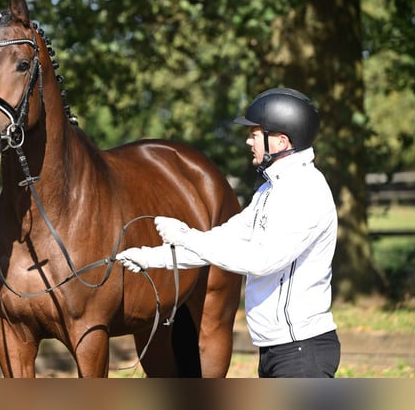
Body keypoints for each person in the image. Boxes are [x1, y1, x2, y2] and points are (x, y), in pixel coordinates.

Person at [116, 87, 341, 378]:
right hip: (277, 349)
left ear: (281, 141)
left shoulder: (305, 191)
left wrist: (186, 235)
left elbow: (262, 260)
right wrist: (150, 257)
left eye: (256, 134)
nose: (249, 141)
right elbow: (219, 240)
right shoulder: (268, 192)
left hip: (301, 351)